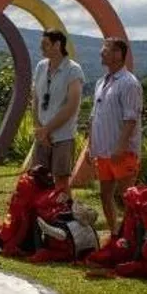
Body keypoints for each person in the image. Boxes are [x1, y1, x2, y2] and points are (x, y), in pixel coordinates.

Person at [89, 37, 142, 233]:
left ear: (119, 54)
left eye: (106, 49)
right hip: (103, 151)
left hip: (122, 152)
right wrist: (90, 145)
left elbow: (131, 118)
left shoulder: (129, 83)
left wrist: (121, 146)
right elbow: (94, 117)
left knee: (126, 197)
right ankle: (114, 233)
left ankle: (133, 236)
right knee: (105, 195)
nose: (101, 52)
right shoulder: (101, 82)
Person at [32, 29, 84, 193]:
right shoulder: (41, 66)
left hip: (62, 135)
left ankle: (63, 215)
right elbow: (36, 100)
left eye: (45, 45)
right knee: (38, 179)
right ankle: (41, 215)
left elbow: (71, 106)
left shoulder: (73, 70)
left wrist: (47, 130)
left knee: (61, 182)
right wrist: (40, 129)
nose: (42, 49)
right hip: (42, 135)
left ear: (58, 45)